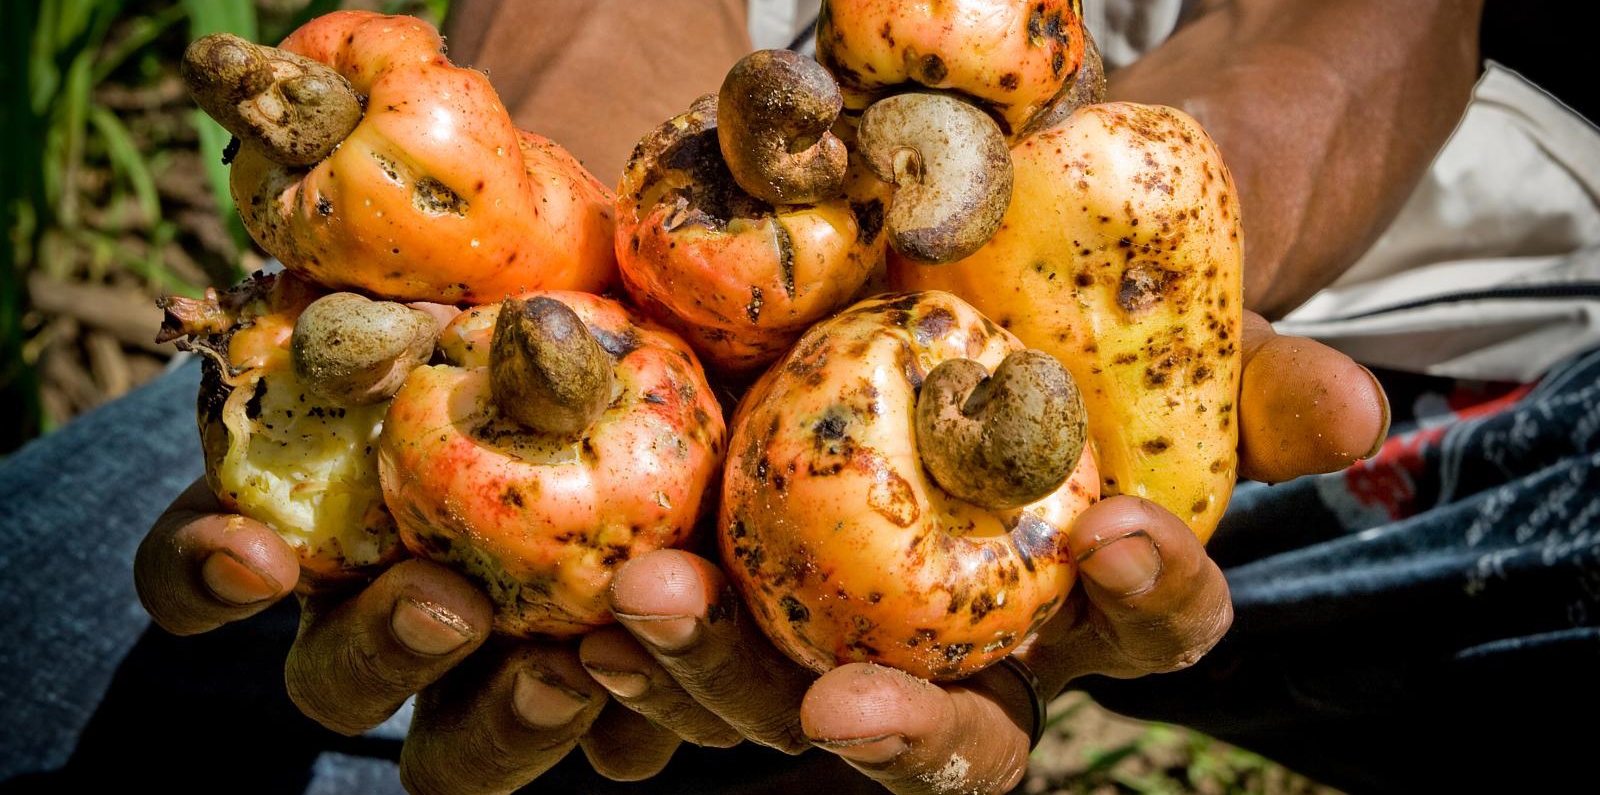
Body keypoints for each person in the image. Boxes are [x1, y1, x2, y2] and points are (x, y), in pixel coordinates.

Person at [3, 1, 1595, 794]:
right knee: (58, 680)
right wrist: (584, 242)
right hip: (586, 353)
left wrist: (1143, 222)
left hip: (1393, 310)